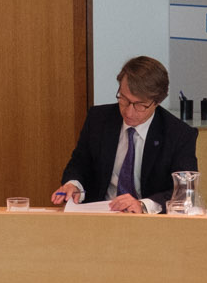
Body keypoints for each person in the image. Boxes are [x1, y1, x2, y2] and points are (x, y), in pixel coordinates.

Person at [53, 56, 198, 212]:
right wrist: (73, 184)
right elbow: (79, 164)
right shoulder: (98, 119)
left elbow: (185, 192)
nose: (128, 112)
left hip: (148, 220)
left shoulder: (179, 135)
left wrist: (143, 205)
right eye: (124, 99)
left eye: (140, 105)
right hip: (99, 215)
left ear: (157, 102)